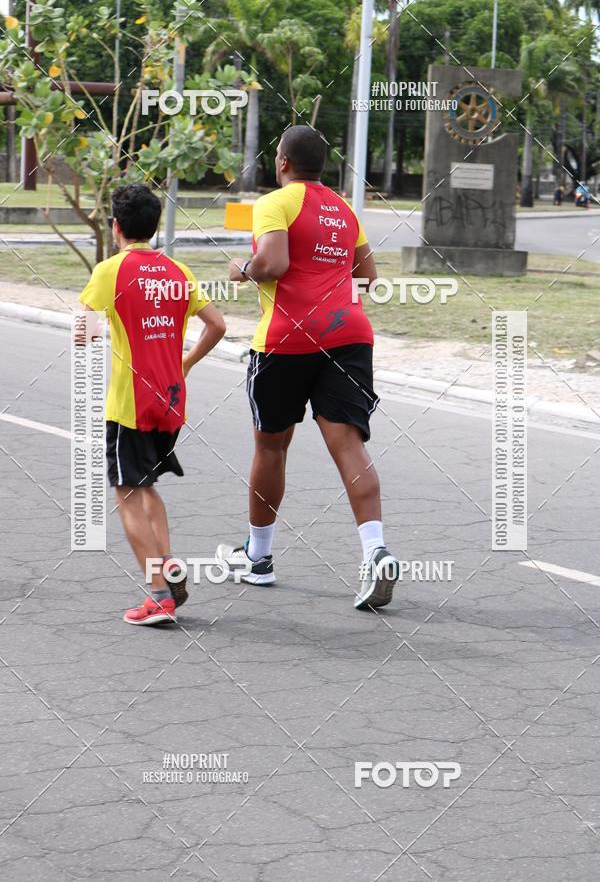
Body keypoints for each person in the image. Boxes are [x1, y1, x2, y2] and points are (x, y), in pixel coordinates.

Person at [217, 126, 401, 610]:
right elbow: (368, 278)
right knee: (349, 444)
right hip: (349, 335)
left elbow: (273, 263)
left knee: (271, 446)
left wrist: (240, 269)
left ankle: (258, 557)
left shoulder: (274, 203)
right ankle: (375, 551)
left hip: (286, 340)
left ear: (282, 162)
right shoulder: (344, 210)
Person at [79, 183, 226, 625]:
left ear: (116, 227)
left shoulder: (110, 271)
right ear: (155, 227)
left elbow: (84, 333)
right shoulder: (178, 271)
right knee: (146, 487)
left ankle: (159, 594)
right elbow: (217, 326)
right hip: (172, 400)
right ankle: (168, 564)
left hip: (131, 404)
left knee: (126, 493)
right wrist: (185, 362)